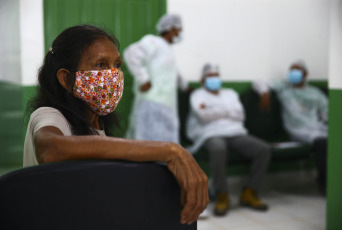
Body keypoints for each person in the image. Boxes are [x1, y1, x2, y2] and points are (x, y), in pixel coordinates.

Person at [23, 25, 209, 225]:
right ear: (66, 79)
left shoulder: (98, 125)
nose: (113, 75)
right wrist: (170, 151)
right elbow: (51, 149)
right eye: (101, 65)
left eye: (117, 65)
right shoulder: (49, 115)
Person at [186, 63, 270, 216]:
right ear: (203, 80)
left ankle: (250, 192)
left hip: (235, 132)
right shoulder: (197, 95)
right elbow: (204, 116)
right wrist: (227, 112)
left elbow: (240, 115)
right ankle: (222, 194)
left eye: (216, 76)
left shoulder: (230, 93)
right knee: (218, 148)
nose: (214, 79)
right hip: (210, 133)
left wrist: (214, 111)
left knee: (262, 149)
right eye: (210, 76)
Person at [253, 60, 328, 195]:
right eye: (291, 70)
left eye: (297, 70)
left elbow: (326, 111)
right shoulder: (284, 88)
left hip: (317, 127)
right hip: (298, 130)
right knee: (322, 143)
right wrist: (264, 93)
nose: (293, 73)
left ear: (305, 74)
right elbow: (259, 82)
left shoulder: (315, 92)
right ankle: (324, 183)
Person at [123, 14, 188, 143]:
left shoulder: (168, 49)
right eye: (178, 30)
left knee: (165, 144)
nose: (180, 34)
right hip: (151, 101)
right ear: (170, 28)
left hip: (166, 103)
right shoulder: (153, 42)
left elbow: (173, 72)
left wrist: (185, 86)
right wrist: (144, 79)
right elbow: (131, 53)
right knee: (147, 143)